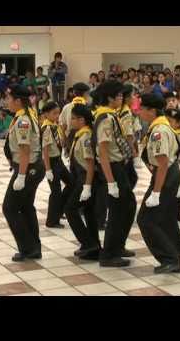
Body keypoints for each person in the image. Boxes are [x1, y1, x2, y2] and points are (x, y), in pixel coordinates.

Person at [136, 94, 180, 273]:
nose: (139, 112)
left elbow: (162, 162)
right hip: (166, 175)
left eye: (142, 109)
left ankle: (171, 259)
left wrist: (156, 192)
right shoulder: (160, 126)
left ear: (152, 111)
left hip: (165, 176)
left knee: (146, 220)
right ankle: (174, 252)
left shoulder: (159, 131)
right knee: (162, 219)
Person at [92, 80, 136, 267]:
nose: (121, 98)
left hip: (118, 165)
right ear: (110, 98)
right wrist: (110, 181)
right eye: (118, 95)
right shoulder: (105, 118)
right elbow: (102, 151)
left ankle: (118, 246)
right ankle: (109, 254)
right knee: (118, 211)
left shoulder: (111, 115)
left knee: (128, 206)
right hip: (112, 167)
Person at [2, 85, 45, 262]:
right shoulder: (24, 115)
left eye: (9, 98)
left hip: (28, 168)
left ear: (18, 101)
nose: (6, 101)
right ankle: (33, 248)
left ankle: (28, 248)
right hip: (30, 167)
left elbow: (25, 149)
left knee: (10, 208)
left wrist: (21, 176)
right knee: (26, 208)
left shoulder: (23, 120)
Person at [65, 104, 101, 259]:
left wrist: (87, 186)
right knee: (88, 211)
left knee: (70, 209)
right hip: (82, 178)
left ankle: (88, 243)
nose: (71, 121)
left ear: (82, 120)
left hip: (87, 179)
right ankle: (94, 245)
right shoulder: (80, 134)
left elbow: (90, 163)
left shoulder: (85, 137)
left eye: (73, 118)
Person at [41, 101, 72, 229]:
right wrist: (48, 169)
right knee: (56, 191)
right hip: (51, 162)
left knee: (72, 183)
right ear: (46, 114)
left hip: (58, 160)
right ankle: (52, 220)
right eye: (54, 113)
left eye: (58, 113)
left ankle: (60, 210)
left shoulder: (55, 125)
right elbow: (45, 151)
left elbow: (61, 141)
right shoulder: (47, 128)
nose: (57, 115)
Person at [58, 83, 90, 156]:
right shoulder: (88, 107)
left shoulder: (67, 107)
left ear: (74, 93)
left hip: (71, 137)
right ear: (85, 94)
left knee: (72, 160)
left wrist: (63, 140)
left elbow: (63, 126)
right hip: (86, 137)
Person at [118, 84, 139, 188]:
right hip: (125, 148)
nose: (134, 98)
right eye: (133, 95)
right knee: (131, 178)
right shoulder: (126, 112)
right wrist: (133, 150)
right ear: (127, 98)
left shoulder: (119, 109)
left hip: (119, 147)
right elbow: (128, 134)